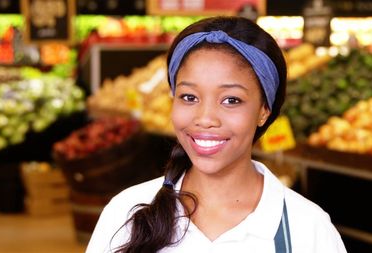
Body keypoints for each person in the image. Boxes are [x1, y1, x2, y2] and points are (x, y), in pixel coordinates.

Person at [86, 16, 347, 253]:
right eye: (189, 97)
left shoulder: (307, 230)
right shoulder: (126, 214)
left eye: (231, 100)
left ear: (264, 111)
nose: (205, 119)